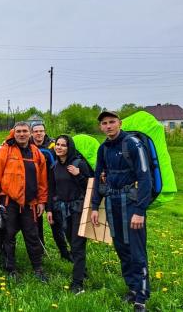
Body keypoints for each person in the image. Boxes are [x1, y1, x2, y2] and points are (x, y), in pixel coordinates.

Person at [91, 111, 152, 312]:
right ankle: (132, 288)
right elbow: (98, 176)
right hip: (111, 202)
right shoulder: (103, 149)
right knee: (121, 248)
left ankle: (141, 297)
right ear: (101, 127)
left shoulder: (133, 144)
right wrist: (94, 206)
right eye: (104, 123)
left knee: (136, 249)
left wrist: (140, 211)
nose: (108, 126)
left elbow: (145, 178)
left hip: (131, 203)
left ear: (120, 123)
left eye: (111, 122)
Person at [0, 121, 49, 281]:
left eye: (25, 131)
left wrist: (42, 201)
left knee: (32, 236)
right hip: (9, 202)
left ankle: (38, 268)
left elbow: (42, 180)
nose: (22, 134)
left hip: (30, 203)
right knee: (8, 236)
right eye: (19, 131)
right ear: (14, 133)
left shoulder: (36, 153)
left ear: (30, 134)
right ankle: (11, 269)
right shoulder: (3, 151)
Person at [47, 135, 93, 294]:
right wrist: (50, 210)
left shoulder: (79, 163)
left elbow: (90, 186)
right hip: (62, 211)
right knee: (72, 243)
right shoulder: (54, 167)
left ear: (69, 147)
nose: (59, 147)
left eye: (63, 145)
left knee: (78, 245)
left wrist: (78, 174)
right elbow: (51, 190)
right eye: (57, 145)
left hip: (78, 210)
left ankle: (77, 284)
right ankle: (83, 271)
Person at [30, 123, 72, 262]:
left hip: (53, 187)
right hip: (35, 188)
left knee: (56, 223)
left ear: (45, 132)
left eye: (41, 131)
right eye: (36, 131)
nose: (39, 134)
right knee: (37, 222)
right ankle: (40, 251)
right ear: (32, 133)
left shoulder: (53, 146)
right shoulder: (27, 145)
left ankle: (64, 252)